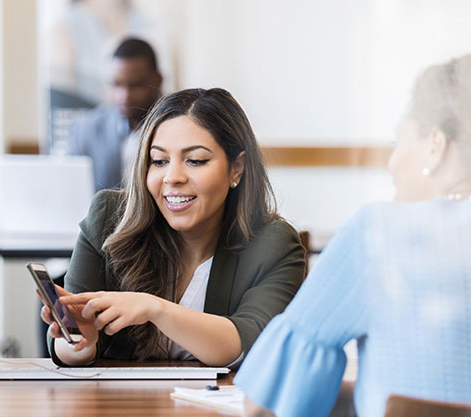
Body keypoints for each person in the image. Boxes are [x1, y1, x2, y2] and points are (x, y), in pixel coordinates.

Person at [235, 54, 471, 417]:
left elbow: (264, 403)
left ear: (436, 143)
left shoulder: (378, 233)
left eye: (400, 140)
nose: (393, 162)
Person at [41, 88, 306, 367]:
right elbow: (68, 351)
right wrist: (80, 340)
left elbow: (251, 344)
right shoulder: (108, 219)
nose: (173, 177)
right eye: (159, 161)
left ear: (236, 168)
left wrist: (156, 309)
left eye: (195, 160)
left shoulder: (273, 243)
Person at [67, 37, 163, 191]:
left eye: (135, 85)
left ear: (158, 80)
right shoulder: (86, 129)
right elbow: (68, 187)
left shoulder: (175, 126)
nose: (124, 96)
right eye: (117, 85)